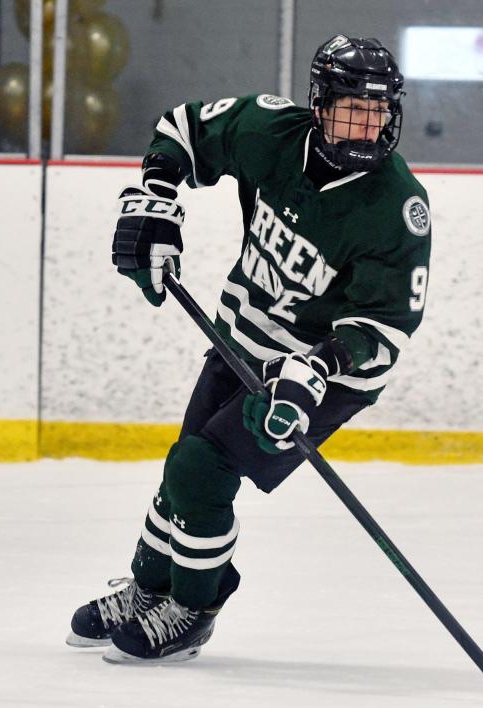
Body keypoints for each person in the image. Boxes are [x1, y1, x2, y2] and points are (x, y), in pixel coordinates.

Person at [66, 34, 432, 664]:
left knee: (201, 472)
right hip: (242, 338)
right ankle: (152, 589)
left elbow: (385, 330)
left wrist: (319, 368)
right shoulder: (272, 131)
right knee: (181, 470)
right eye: (353, 109)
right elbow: (181, 131)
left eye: (378, 112)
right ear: (319, 105)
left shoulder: (398, 207)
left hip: (321, 375)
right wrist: (157, 198)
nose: (367, 126)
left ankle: (194, 607)